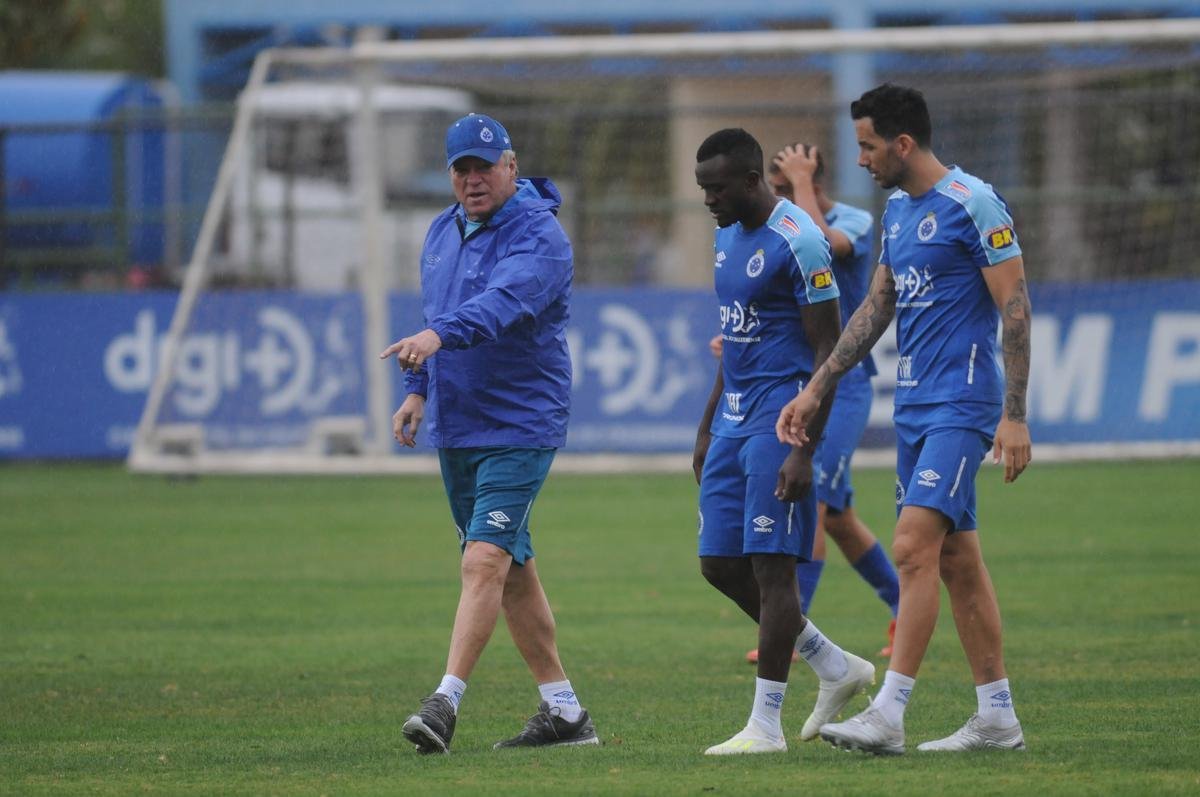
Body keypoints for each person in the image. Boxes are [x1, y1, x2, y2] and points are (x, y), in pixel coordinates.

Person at [777, 83, 1032, 755]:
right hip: (915, 406)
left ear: (903, 143)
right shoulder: (894, 212)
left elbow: (1015, 306)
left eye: (866, 145)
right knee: (956, 561)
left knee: (913, 546)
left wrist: (1015, 416)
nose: (859, 158)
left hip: (964, 400)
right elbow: (874, 310)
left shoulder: (973, 204)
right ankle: (997, 715)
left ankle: (888, 712)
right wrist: (818, 385)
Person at [381, 113, 597, 754]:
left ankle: (444, 703)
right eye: (460, 169)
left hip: (521, 421)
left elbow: (501, 305)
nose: (472, 180)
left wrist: (436, 338)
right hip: (459, 420)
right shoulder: (441, 231)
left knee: (483, 561)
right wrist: (418, 389)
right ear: (450, 175)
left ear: (511, 165)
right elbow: (434, 316)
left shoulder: (542, 237)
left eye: (483, 166)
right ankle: (565, 714)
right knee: (509, 570)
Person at [693, 127, 875, 756]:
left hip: (783, 418)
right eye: (702, 190)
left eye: (717, 189)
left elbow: (830, 349)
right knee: (718, 564)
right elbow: (736, 336)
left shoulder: (800, 242)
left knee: (774, 570)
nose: (708, 200)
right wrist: (707, 423)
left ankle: (765, 726)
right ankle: (832, 664)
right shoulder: (724, 236)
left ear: (749, 182)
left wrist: (805, 447)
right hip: (735, 419)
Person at [740, 142, 901, 665]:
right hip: (801, 380)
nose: (779, 199)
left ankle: (789, 626)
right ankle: (903, 601)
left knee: (817, 505)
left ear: (812, 181)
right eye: (777, 187)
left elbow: (827, 248)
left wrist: (803, 184)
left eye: (787, 187)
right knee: (836, 516)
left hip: (845, 382)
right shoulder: (771, 230)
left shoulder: (850, 218)